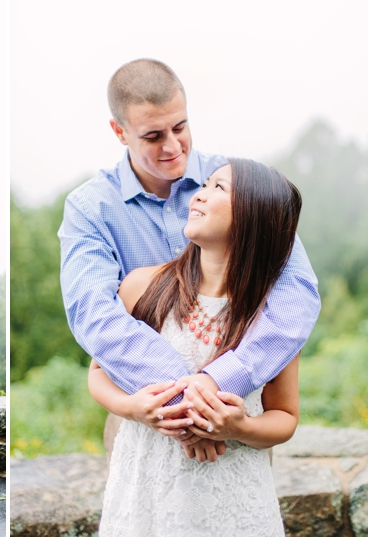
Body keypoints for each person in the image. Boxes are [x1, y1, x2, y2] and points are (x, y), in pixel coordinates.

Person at [58, 59, 320, 462]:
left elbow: (295, 296)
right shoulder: (90, 207)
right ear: (119, 132)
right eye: (152, 135)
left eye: (180, 127)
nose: (172, 146)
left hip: (232, 416)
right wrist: (183, 398)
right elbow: (92, 312)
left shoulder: (239, 186)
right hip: (143, 407)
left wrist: (218, 386)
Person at [93, 158, 301, 535]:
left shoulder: (273, 320)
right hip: (147, 488)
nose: (198, 196)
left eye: (218, 188)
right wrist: (133, 408)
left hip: (232, 496)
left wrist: (238, 428)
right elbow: (96, 374)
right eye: (204, 185)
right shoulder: (142, 285)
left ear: (254, 216)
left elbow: (285, 416)